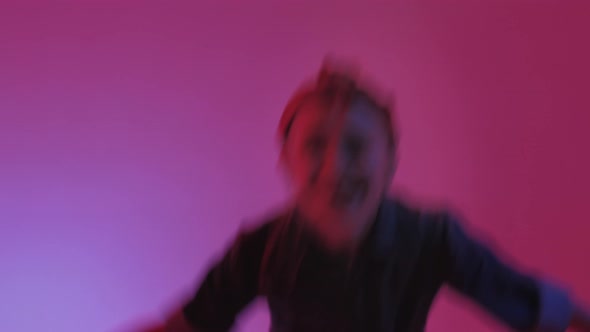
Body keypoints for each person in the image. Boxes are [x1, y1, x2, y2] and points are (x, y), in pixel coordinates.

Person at [137, 60, 590, 332]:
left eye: (356, 147)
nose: (336, 168)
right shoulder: (262, 249)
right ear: (286, 163)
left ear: (390, 161)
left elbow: (526, 299)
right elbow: (190, 324)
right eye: (315, 146)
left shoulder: (431, 238)